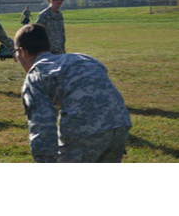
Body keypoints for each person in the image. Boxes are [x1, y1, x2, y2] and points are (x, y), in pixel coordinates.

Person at [13, 23, 132, 163]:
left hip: (83, 131)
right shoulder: (83, 58)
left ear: (22, 52)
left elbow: (42, 126)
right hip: (119, 123)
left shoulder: (37, 74)